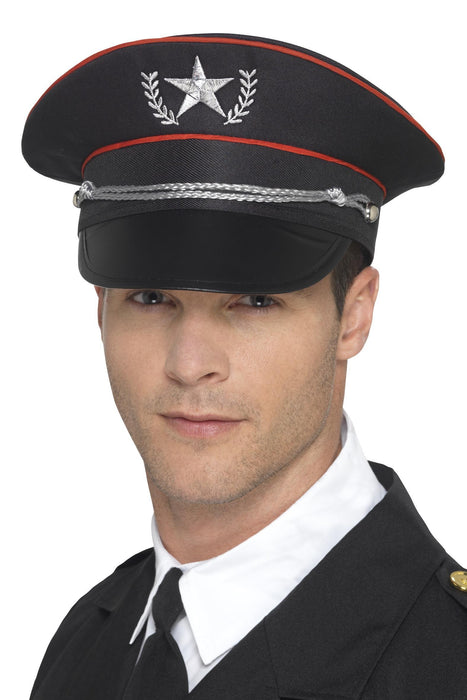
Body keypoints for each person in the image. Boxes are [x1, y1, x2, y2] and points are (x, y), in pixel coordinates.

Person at [22, 32, 467, 699]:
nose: (190, 364)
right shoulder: (84, 641)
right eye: (151, 297)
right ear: (101, 309)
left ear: (353, 316)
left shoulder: (448, 663)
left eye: (255, 301)